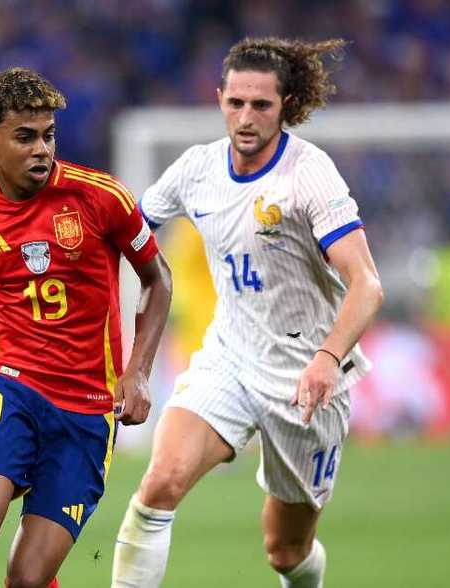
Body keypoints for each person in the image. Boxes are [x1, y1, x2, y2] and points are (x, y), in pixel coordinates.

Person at [111, 37, 383, 587]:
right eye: (236, 102)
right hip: (229, 360)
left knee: (285, 551)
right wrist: (27, 271)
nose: (246, 116)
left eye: (261, 104)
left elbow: (367, 284)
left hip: (307, 382)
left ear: (286, 105)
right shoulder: (197, 169)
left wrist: (328, 357)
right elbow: (120, 233)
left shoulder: (310, 175)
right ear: (219, 100)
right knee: (160, 482)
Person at [0, 67, 172, 588]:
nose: (41, 149)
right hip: (12, 386)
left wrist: (137, 373)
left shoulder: (102, 196)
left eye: (48, 135)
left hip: (88, 410)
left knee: (26, 578)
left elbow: (158, 282)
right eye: (25, 137)